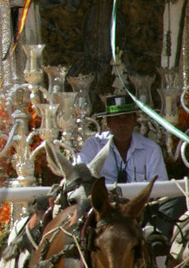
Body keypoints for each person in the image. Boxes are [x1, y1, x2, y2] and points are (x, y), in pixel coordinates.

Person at [77, 97, 179, 255]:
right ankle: (82, 250)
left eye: (126, 118)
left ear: (135, 121)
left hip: (142, 210)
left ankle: (156, 240)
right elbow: (80, 178)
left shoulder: (151, 149)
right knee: (82, 202)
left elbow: (162, 189)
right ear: (108, 123)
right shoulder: (93, 145)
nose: (122, 124)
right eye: (116, 119)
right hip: (106, 212)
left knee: (175, 198)